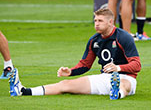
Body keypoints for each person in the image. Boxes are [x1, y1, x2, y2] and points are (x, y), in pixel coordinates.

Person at [9, 8, 141, 100]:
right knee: (65, 84)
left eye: (100, 21)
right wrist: (70, 71)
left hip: (126, 77)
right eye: (95, 20)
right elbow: (85, 65)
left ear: (110, 22)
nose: (96, 24)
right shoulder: (94, 40)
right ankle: (23, 91)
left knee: (125, 85)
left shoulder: (123, 37)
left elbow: (137, 65)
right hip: (104, 78)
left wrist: (118, 68)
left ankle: (117, 93)